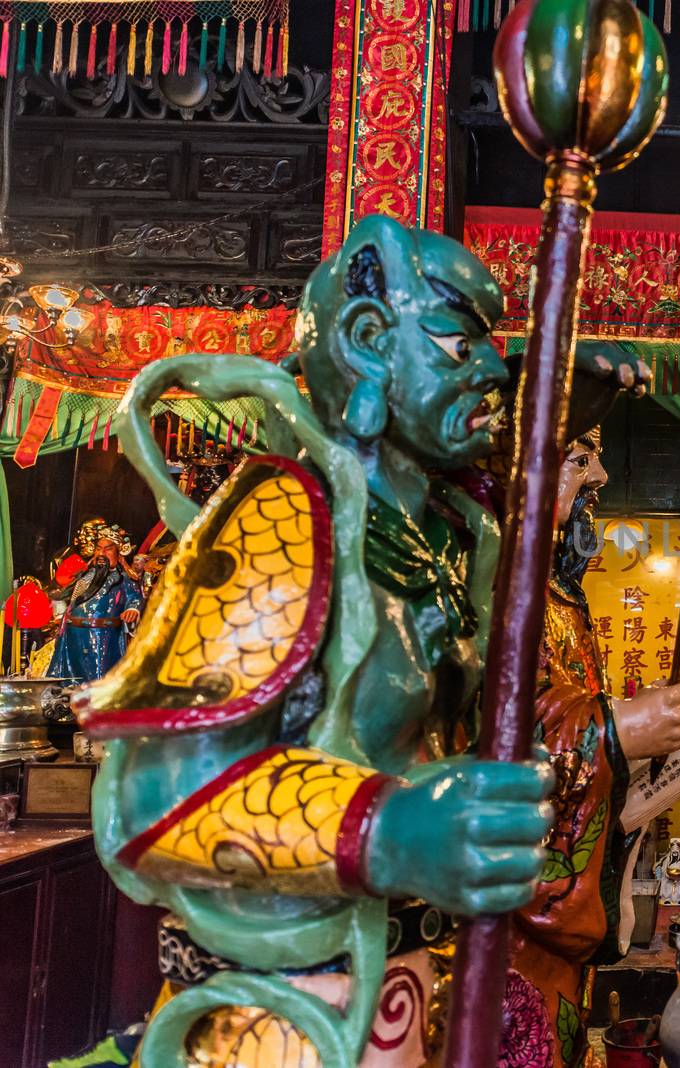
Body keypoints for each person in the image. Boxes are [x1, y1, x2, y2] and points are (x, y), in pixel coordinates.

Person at [69, 217, 648, 1068]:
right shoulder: (281, 517)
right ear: (368, 341)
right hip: (277, 1016)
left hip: (403, 993)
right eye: (459, 342)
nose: (490, 368)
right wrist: (389, 830)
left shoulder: (446, 535)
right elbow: (157, 805)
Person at [507, 426, 680, 1067]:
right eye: (578, 458)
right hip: (499, 925)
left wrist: (634, 737)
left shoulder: (559, 596)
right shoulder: (497, 585)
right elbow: (495, 735)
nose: (599, 478)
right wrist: (615, 731)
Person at [46, 520, 143, 683]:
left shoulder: (124, 579)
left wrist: (133, 610)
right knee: (67, 678)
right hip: (72, 634)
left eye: (108, 549)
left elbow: (135, 597)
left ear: (119, 552)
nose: (101, 553)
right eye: (98, 548)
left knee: (96, 679)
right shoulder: (85, 575)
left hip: (101, 636)